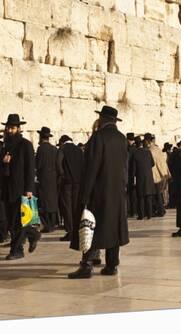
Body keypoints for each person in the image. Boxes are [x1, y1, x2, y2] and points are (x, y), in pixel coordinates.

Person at [68, 105, 129, 278]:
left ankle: (86, 265)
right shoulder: (122, 138)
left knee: (90, 225)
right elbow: (125, 167)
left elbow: (91, 168)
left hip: (98, 192)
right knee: (113, 228)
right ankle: (112, 265)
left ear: (102, 119)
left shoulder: (98, 138)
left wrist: (85, 194)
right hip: (116, 192)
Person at [0, 114, 39, 260]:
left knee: (19, 220)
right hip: (8, 189)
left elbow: (30, 168)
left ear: (18, 128)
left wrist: (29, 189)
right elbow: (2, 170)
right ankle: (33, 234)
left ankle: (16, 250)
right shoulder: (5, 146)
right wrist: (4, 163)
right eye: (8, 128)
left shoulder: (26, 145)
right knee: (12, 221)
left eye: (13, 128)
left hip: (21, 189)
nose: (10, 130)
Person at [56, 134, 83, 242]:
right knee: (76, 207)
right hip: (78, 182)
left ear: (62, 142)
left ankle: (70, 232)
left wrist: (62, 175)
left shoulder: (62, 149)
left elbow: (58, 163)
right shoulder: (79, 150)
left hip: (67, 183)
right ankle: (77, 231)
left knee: (67, 207)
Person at [35, 127, 59, 233]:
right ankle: (52, 224)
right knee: (52, 202)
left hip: (43, 179)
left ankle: (47, 225)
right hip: (53, 179)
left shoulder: (41, 149)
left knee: (44, 202)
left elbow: (38, 165)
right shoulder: (54, 149)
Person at [132, 133, 156, 220]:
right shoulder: (148, 152)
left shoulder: (135, 153)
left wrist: (134, 176)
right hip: (148, 177)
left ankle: (141, 215)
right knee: (148, 197)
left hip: (140, 178)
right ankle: (149, 214)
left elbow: (134, 169)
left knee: (141, 197)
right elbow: (153, 164)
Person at [148, 133, 169, 217]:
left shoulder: (151, 150)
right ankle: (161, 210)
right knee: (159, 193)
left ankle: (160, 211)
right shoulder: (158, 149)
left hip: (155, 175)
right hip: (161, 174)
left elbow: (154, 164)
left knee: (156, 194)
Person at [126, 133, 137, 218]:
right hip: (136, 174)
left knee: (131, 193)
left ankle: (132, 211)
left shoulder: (130, 149)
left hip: (130, 174)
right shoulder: (136, 148)